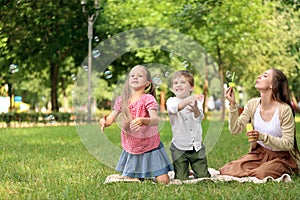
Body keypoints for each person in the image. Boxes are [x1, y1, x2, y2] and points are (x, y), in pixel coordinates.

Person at [219, 68, 300, 179]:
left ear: (273, 84)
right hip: (259, 154)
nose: (259, 76)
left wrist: (262, 137)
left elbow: (288, 143)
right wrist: (232, 105)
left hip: (280, 157)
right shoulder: (253, 104)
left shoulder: (284, 110)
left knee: (261, 174)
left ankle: (253, 172)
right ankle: (249, 172)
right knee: (227, 169)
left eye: (265, 76)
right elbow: (235, 129)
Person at [99, 65, 173, 184]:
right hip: (132, 146)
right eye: (132, 75)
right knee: (132, 180)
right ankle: (140, 174)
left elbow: (155, 119)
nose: (135, 77)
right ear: (128, 81)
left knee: (163, 181)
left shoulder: (148, 99)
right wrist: (104, 122)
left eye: (140, 75)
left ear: (147, 83)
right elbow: (111, 118)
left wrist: (144, 120)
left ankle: (150, 173)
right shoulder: (121, 100)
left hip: (150, 146)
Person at [166, 70, 210, 180]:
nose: (178, 85)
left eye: (183, 82)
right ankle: (184, 171)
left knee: (203, 177)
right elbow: (175, 108)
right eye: (175, 83)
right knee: (181, 178)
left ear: (191, 87)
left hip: (196, 146)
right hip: (179, 147)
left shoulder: (197, 101)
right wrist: (188, 100)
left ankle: (196, 170)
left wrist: (195, 109)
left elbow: (199, 117)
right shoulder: (171, 101)